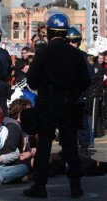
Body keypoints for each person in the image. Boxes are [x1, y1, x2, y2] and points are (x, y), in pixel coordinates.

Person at [23, 12, 90, 198]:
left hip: (49, 103)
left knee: (44, 145)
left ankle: (40, 185)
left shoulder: (43, 52)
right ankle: (75, 185)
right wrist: (72, 91)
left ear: (50, 32)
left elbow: (32, 80)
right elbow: (85, 80)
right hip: (69, 104)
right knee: (70, 146)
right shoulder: (75, 54)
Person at [65, 26, 95, 158]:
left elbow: (88, 77)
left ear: (78, 42)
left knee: (82, 123)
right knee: (66, 123)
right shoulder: (61, 56)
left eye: (74, 41)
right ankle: (67, 147)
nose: (72, 44)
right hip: (65, 94)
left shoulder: (85, 57)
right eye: (69, 41)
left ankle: (84, 147)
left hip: (79, 93)